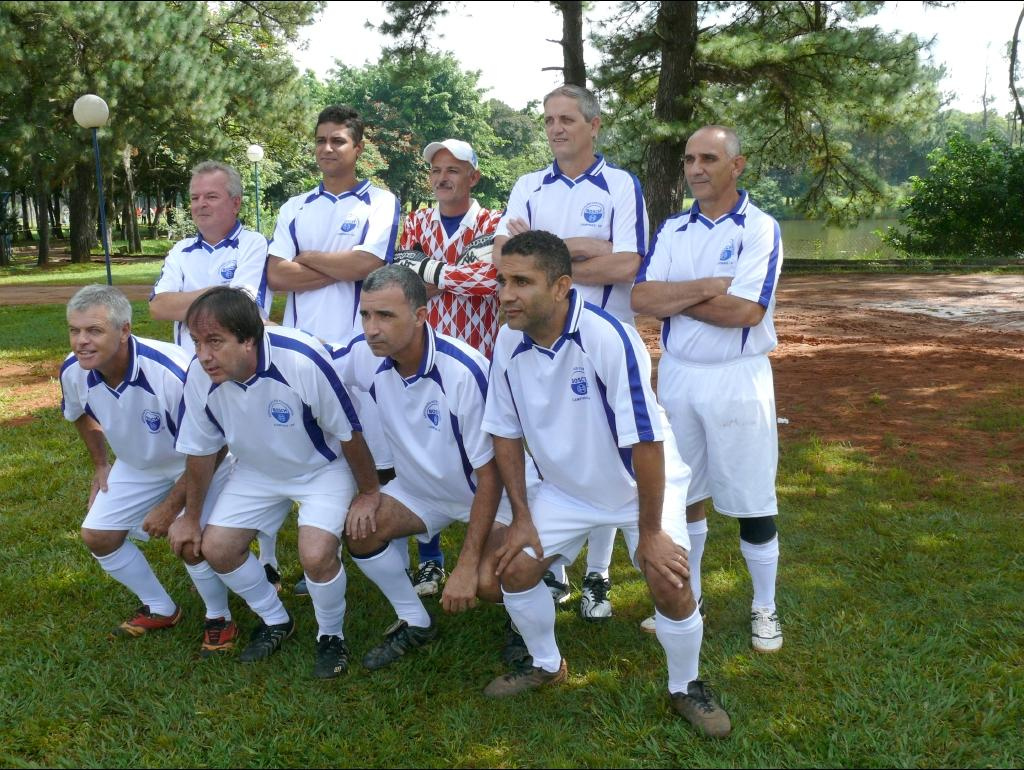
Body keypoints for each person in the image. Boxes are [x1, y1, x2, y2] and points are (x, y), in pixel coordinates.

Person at [480, 231, 729, 738]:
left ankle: (686, 685)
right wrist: (522, 517)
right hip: (567, 492)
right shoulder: (507, 340)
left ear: (561, 287)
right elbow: (504, 433)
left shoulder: (608, 337)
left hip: (640, 486)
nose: (506, 294)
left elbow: (647, 442)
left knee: (669, 581)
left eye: (522, 282)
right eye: (503, 281)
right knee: (512, 571)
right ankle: (546, 664)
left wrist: (651, 532)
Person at [491, 84, 650, 621]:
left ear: (594, 125)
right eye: (548, 120)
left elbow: (626, 264)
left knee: (607, 453)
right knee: (549, 445)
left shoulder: (620, 185)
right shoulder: (528, 185)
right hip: (540, 340)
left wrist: (547, 249)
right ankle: (554, 557)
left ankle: (598, 574)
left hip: (602, 340)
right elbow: (504, 258)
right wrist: (584, 246)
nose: (556, 129)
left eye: (566, 119)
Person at [170, 287, 381, 677]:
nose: (203, 355)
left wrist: (368, 492)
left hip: (321, 469)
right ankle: (276, 619)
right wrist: (191, 517)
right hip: (255, 471)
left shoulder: (301, 359)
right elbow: (200, 451)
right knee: (217, 548)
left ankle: (331, 636)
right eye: (196, 342)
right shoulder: (199, 377)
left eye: (214, 341)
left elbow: (348, 432)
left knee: (315, 556)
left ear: (248, 340)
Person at [631, 125, 785, 653]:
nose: (695, 169)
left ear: (736, 166)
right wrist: (704, 289)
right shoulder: (674, 228)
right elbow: (642, 299)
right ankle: (688, 595)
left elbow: (745, 311)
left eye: (709, 159)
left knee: (752, 496)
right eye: (689, 159)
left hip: (737, 377)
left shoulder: (759, 228)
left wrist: (675, 298)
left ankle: (764, 606)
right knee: (684, 491)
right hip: (677, 374)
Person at [340, 264, 532, 670]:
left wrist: (465, 564)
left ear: (420, 316)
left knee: (489, 582)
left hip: (491, 496)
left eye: (385, 315)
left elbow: (492, 475)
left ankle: (525, 620)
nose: (372, 329)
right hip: (420, 492)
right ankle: (415, 621)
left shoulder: (463, 371)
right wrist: (371, 491)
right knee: (359, 530)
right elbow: (314, 365)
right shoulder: (363, 353)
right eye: (365, 315)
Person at [60, 285, 238, 657]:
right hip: (137, 465)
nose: (81, 341)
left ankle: (219, 617)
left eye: (94, 330)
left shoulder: (171, 372)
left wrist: (173, 507)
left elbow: (215, 444)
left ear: (124, 330)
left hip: (200, 462)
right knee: (98, 536)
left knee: (189, 541)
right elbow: (78, 414)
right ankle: (161, 608)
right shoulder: (73, 370)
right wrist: (101, 463)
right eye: (75, 330)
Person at [266, 104, 400, 594]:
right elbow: (275, 274)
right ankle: (324, 551)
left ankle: (389, 552)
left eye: (338, 140)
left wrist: (309, 258)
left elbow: (369, 263)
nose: (327, 148)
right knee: (319, 453)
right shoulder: (295, 206)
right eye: (321, 140)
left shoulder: (380, 201)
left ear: (358, 148)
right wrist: (338, 266)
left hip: (361, 349)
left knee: (377, 456)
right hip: (303, 352)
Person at [149, 160, 282, 592]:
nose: (201, 204)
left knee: (252, 457)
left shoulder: (253, 243)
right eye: (194, 197)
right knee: (205, 452)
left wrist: (185, 300)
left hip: (242, 372)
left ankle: (269, 558)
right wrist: (216, 298)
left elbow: (241, 306)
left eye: (211, 196)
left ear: (236, 202)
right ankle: (212, 537)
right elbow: (158, 306)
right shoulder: (180, 251)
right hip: (192, 375)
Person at [393, 138, 502, 597]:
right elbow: (403, 281)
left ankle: (495, 545)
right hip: (427, 358)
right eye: (436, 170)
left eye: (453, 170)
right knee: (426, 450)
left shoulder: (493, 223)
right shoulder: (417, 221)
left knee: (487, 456)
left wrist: (432, 271)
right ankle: (431, 558)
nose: (442, 178)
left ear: (473, 177)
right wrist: (455, 273)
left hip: (481, 359)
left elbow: (490, 281)